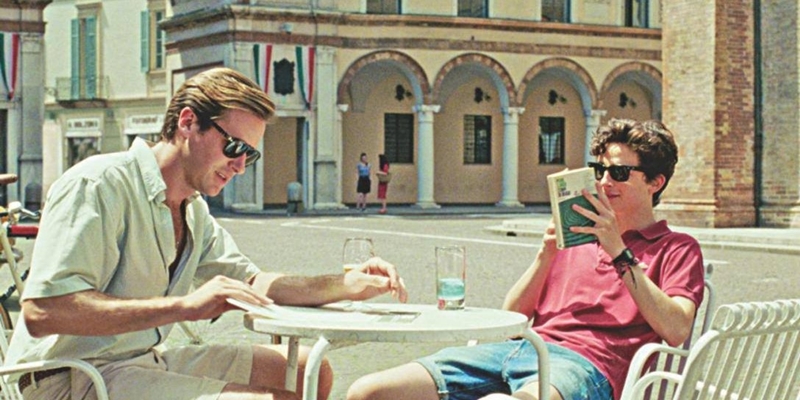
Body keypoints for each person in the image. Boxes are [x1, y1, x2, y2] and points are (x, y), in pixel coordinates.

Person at [5, 67, 407, 400]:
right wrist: (185, 306)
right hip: (66, 377)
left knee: (307, 371)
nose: (241, 166)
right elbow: (43, 312)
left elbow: (254, 283)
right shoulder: (98, 183)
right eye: (234, 147)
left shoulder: (193, 209)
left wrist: (344, 285)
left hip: (138, 361)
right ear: (187, 122)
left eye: (250, 154)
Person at [346, 118, 705, 400]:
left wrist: (618, 252)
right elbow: (512, 316)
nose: (605, 181)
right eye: (599, 171)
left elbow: (676, 330)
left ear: (655, 182)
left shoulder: (677, 247)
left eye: (620, 173)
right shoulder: (575, 235)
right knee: (368, 392)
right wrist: (544, 255)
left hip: (587, 367)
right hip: (519, 348)